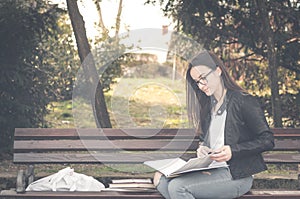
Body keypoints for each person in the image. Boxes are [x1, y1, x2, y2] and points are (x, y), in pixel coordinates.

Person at [153, 50, 275, 199]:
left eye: (203, 78)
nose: (201, 85)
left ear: (217, 71)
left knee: (178, 187)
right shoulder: (208, 106)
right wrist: (203, 148)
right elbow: (209, 141)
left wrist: (233, 151)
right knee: (163, 181)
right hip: (211, 170)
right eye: (197, 82)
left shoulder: (243, 101)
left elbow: (267, 140)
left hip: (236, 175)